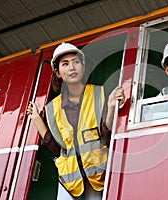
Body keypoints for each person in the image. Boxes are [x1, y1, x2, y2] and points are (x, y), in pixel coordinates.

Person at [26, 42, 125, 200]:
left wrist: (112, 107)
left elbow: (107, 136)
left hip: (98, 177)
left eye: (76, 62)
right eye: (65, 64)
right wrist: (37, 120)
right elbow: (58, 148)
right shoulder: (52, 108)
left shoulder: (100, 93)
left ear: (83, 67)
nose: (72, 67)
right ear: (58, 72)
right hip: (69, 181)